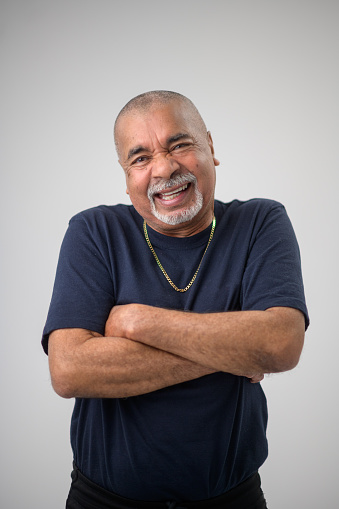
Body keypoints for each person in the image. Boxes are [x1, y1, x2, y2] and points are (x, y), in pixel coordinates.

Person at [42, 90, 309, 509]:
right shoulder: (94, 231)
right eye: (141, 157)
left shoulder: (260, 222)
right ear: (126, 173)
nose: (164, 168)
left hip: (230, 499)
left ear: (211, 147)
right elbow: (70, 370)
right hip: (103, 500)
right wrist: (236, 352)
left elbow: (280, 343)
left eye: (180, 145)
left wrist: (136, 322)